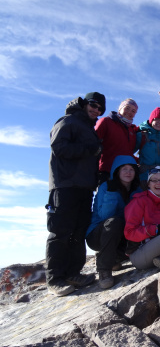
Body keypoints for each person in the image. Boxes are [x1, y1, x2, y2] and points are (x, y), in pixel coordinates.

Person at [46, 92, 106, 296]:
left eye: (100, 108)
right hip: (64, 185)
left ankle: (73, 273)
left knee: (78, 232)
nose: (96, 110)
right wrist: (90, 149)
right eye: (93, 105)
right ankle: (55, 279)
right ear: (84, 104)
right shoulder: (68, 121)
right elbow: (58, 146)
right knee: (60, 231)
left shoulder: (89, 128)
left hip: (84, 187)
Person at [86, 155, 141, 289]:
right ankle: (104, 270)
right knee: (114, 222)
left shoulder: (137, 190)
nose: (128, 172)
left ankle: (114, 259)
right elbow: (105, 216)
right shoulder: (107, 186)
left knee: (139, 231)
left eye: (131, 169)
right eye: (124, 169)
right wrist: (111, 192)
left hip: (121, 233)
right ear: (117, 171)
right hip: (98, 234)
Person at [95, 98, 139, 185]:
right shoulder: (106, 122)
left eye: (133, 111)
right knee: (105, 198)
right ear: (120, 108)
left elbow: (127, 152)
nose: (129, 112)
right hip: (107, 171)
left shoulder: (132, 130)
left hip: (126, 174)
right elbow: (93, 144)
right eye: (127, 108)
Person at [135, 107, 160, 190]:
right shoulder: (142, 136)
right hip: (145, 176)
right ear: (151, 121)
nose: (159, 122)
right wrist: (136, 166)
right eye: (157, 119)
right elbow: (128, 151)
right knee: (142, 198)